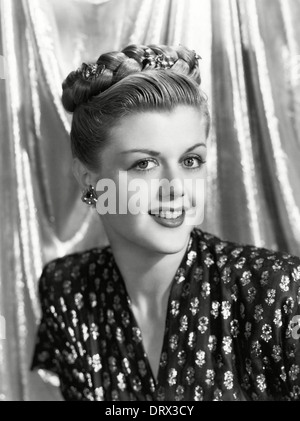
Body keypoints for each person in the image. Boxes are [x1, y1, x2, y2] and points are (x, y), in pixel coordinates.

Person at [31, 43, 300, 401]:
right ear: (89, 179)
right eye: (143, 164)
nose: (176, 189)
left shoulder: (278, 291)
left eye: (191, 161)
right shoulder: (68, 290)